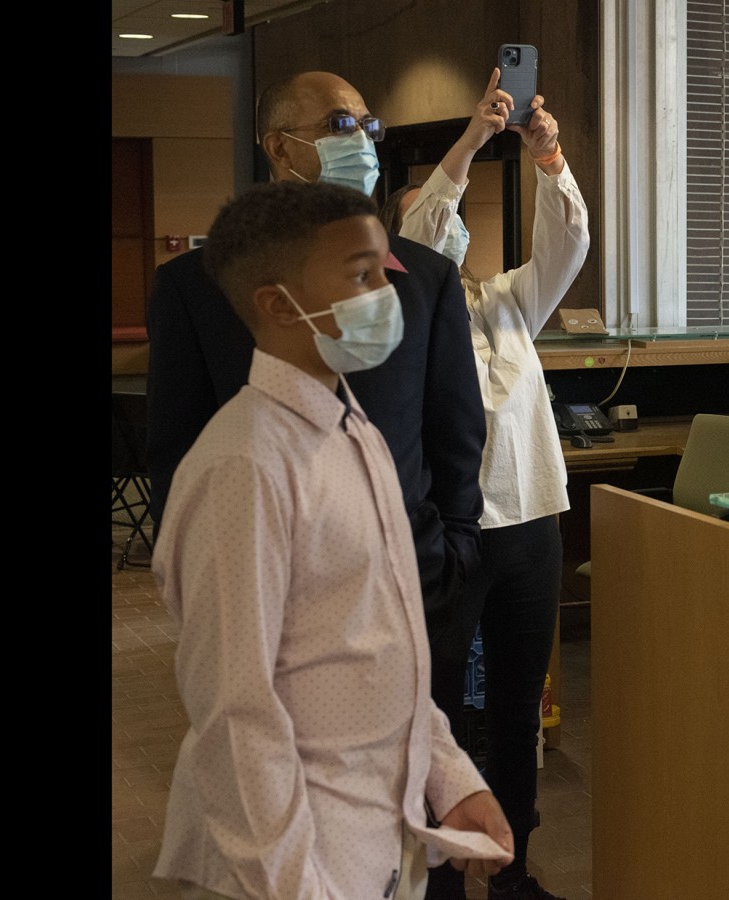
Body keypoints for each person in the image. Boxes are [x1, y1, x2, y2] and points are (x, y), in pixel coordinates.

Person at [151, 180, 514, 899]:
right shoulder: (245, 467)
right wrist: (292, 884)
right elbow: (234, 716)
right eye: (360, 273)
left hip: (376, 834)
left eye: (384, 267)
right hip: (292, 859)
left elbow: (384, 649)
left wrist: (450, 777)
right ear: (279, 304)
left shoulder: (354, 429)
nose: (388, 290)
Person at [144, 71, 487, 770]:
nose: (360, 139)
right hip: (269, 594)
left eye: (367, 126)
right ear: (279, 147)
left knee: (427, 778)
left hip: (412, 580)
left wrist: (452, 554)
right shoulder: (201, 285)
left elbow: (456, 436)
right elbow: (177, 451)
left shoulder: (423, 278)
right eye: (338, 125)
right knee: (283, 766)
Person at [380, 70, 589, 900]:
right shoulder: (404, 317)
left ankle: (515, 869)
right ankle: (432, 869)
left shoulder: (509, 303)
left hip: (534, 523)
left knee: (515, 709)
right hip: (451, 530)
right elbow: (427, 235)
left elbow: (568, 245)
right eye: (444, 216)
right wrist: (469, 142)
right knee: (439, 708)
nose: (457, 234)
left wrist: (549, 160)